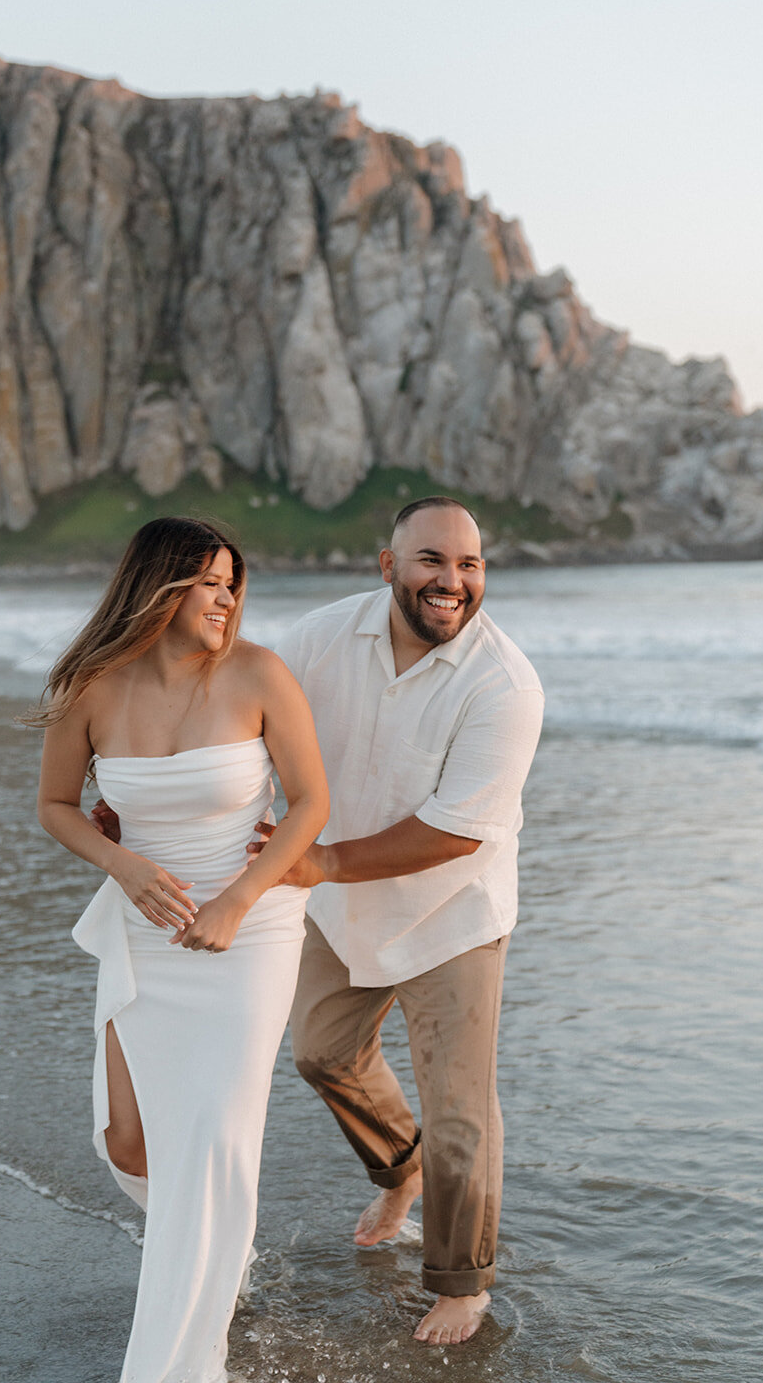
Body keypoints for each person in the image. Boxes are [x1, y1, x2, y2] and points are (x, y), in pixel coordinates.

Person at [31, 516, 330, 1383]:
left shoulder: (257, 673)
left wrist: (240, 900)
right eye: (210, 582)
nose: (227, 598)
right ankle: (210, 1252)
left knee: (209, 1146)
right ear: (159, 588)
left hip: (250, 931)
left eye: (234, 582)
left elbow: (309, 802)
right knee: (129, 1141)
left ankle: (180, 1345)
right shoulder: (93, 686)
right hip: (144, 929)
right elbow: (54, 806)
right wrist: (120, 864)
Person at [251, 496, 544, 1346]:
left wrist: (316, 862)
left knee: (460, 1107)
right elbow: (243, 720)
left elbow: (453, 832)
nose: (450, 581)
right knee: (320, 1052)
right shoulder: (318, 639)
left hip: (454, 912)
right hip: (341, 901)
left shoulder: (504, 683)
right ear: (388, 567)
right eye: (430, 561)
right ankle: (401, 1172)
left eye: (469, 565)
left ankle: (461, 1281)